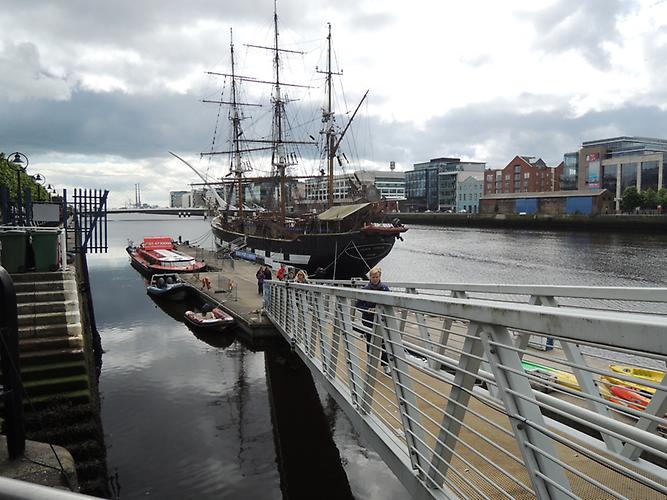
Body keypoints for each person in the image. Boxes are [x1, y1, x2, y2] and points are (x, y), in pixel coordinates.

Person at [355, 266, 391, 375]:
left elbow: (390, 303)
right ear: (370, 277)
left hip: (382, 320)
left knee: (385, 343)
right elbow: (358, 305)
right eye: (373, 277)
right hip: (368, 320)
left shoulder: (385, 289)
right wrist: (367, 310)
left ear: (380, 277)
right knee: (370, 342)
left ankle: (385, 365)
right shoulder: (365, 290)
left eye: (377, 277)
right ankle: (371, 364)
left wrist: (382, 309)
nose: (375, 279)